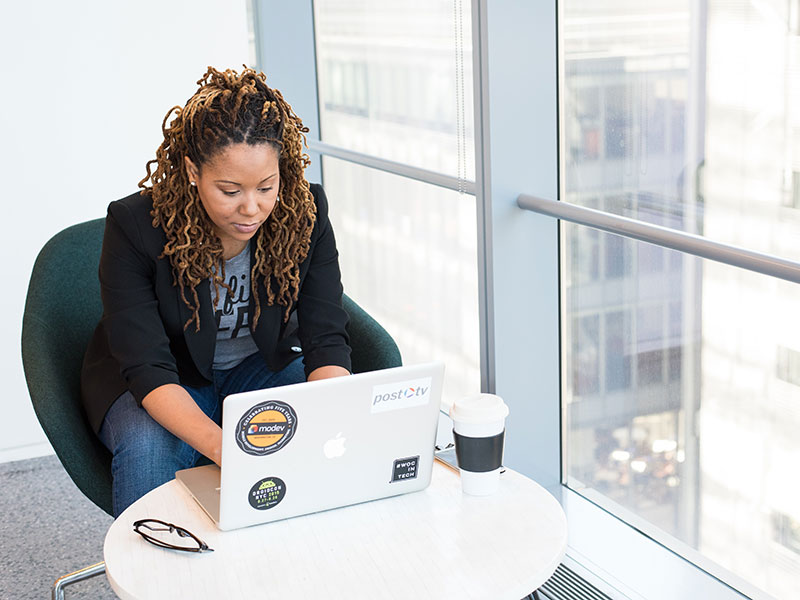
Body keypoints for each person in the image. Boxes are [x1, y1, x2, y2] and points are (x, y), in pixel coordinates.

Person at [81, 66, 351, 517]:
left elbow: (326, 336)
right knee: (151, 451)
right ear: (192, 170)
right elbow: (147, 365)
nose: (252, 208)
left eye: (267, 186)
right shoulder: (134, 226)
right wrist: (227, 447)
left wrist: (331, 416)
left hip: (256, 368)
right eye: (230, 190)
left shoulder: (306, 211)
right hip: (166, 377)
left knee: (326, 444)